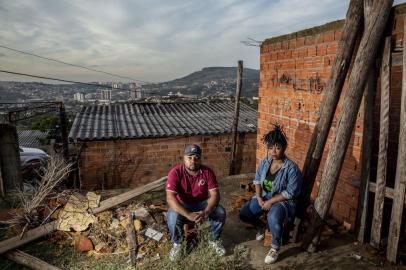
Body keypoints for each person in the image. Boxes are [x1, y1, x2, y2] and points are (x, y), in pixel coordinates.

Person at [239, 124, 302, 264]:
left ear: (284, 148)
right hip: (265, 197)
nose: (273, 151)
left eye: (277, 147)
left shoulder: (291, 168)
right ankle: (261, 226)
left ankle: (275, 248)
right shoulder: (265, 162)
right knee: (244, 213)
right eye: (271, 147)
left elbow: (290, 192)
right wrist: (260, 198)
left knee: (273, 216)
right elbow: (257, 181)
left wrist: (270, 202)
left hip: (283, 201)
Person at [166, 144, 226, 261]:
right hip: (183, 203)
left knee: (220, 211)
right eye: (190, 157)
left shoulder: (207, 172)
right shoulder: (175, 172)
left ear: (200, 159)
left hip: (201, 203)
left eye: (197, 157)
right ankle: (177, 244)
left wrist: (205, 212)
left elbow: (215, 195)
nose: (193, 160)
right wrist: (188, 215)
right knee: (172, 214)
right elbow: (170, 198)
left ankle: (213, 239)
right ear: (184, 158)